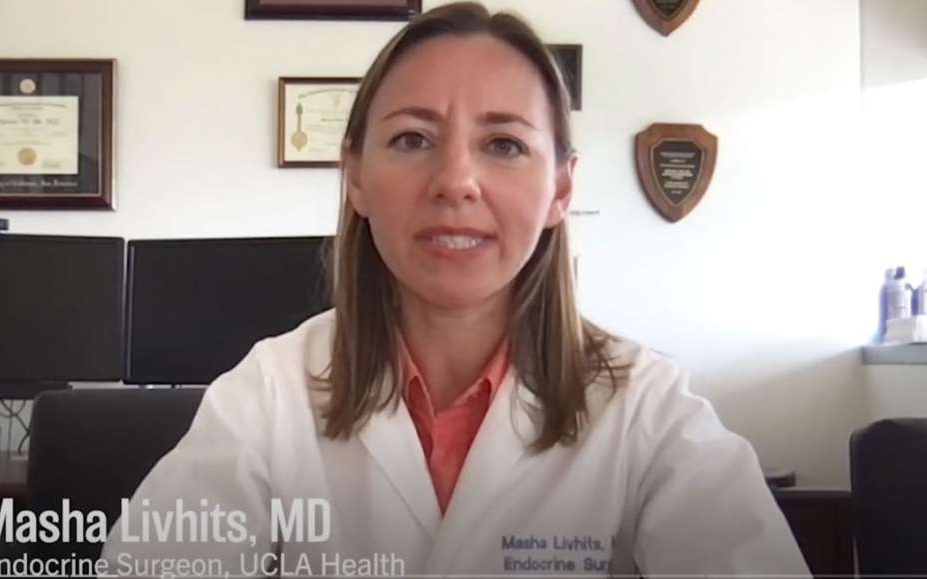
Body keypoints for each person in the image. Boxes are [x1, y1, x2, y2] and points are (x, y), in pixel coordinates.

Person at [103, 2, 809, 576]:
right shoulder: (270, 393)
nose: (455, 182)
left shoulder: (647, 410)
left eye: (504, 145)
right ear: (356, 177)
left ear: (560, 189)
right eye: (413, 139)